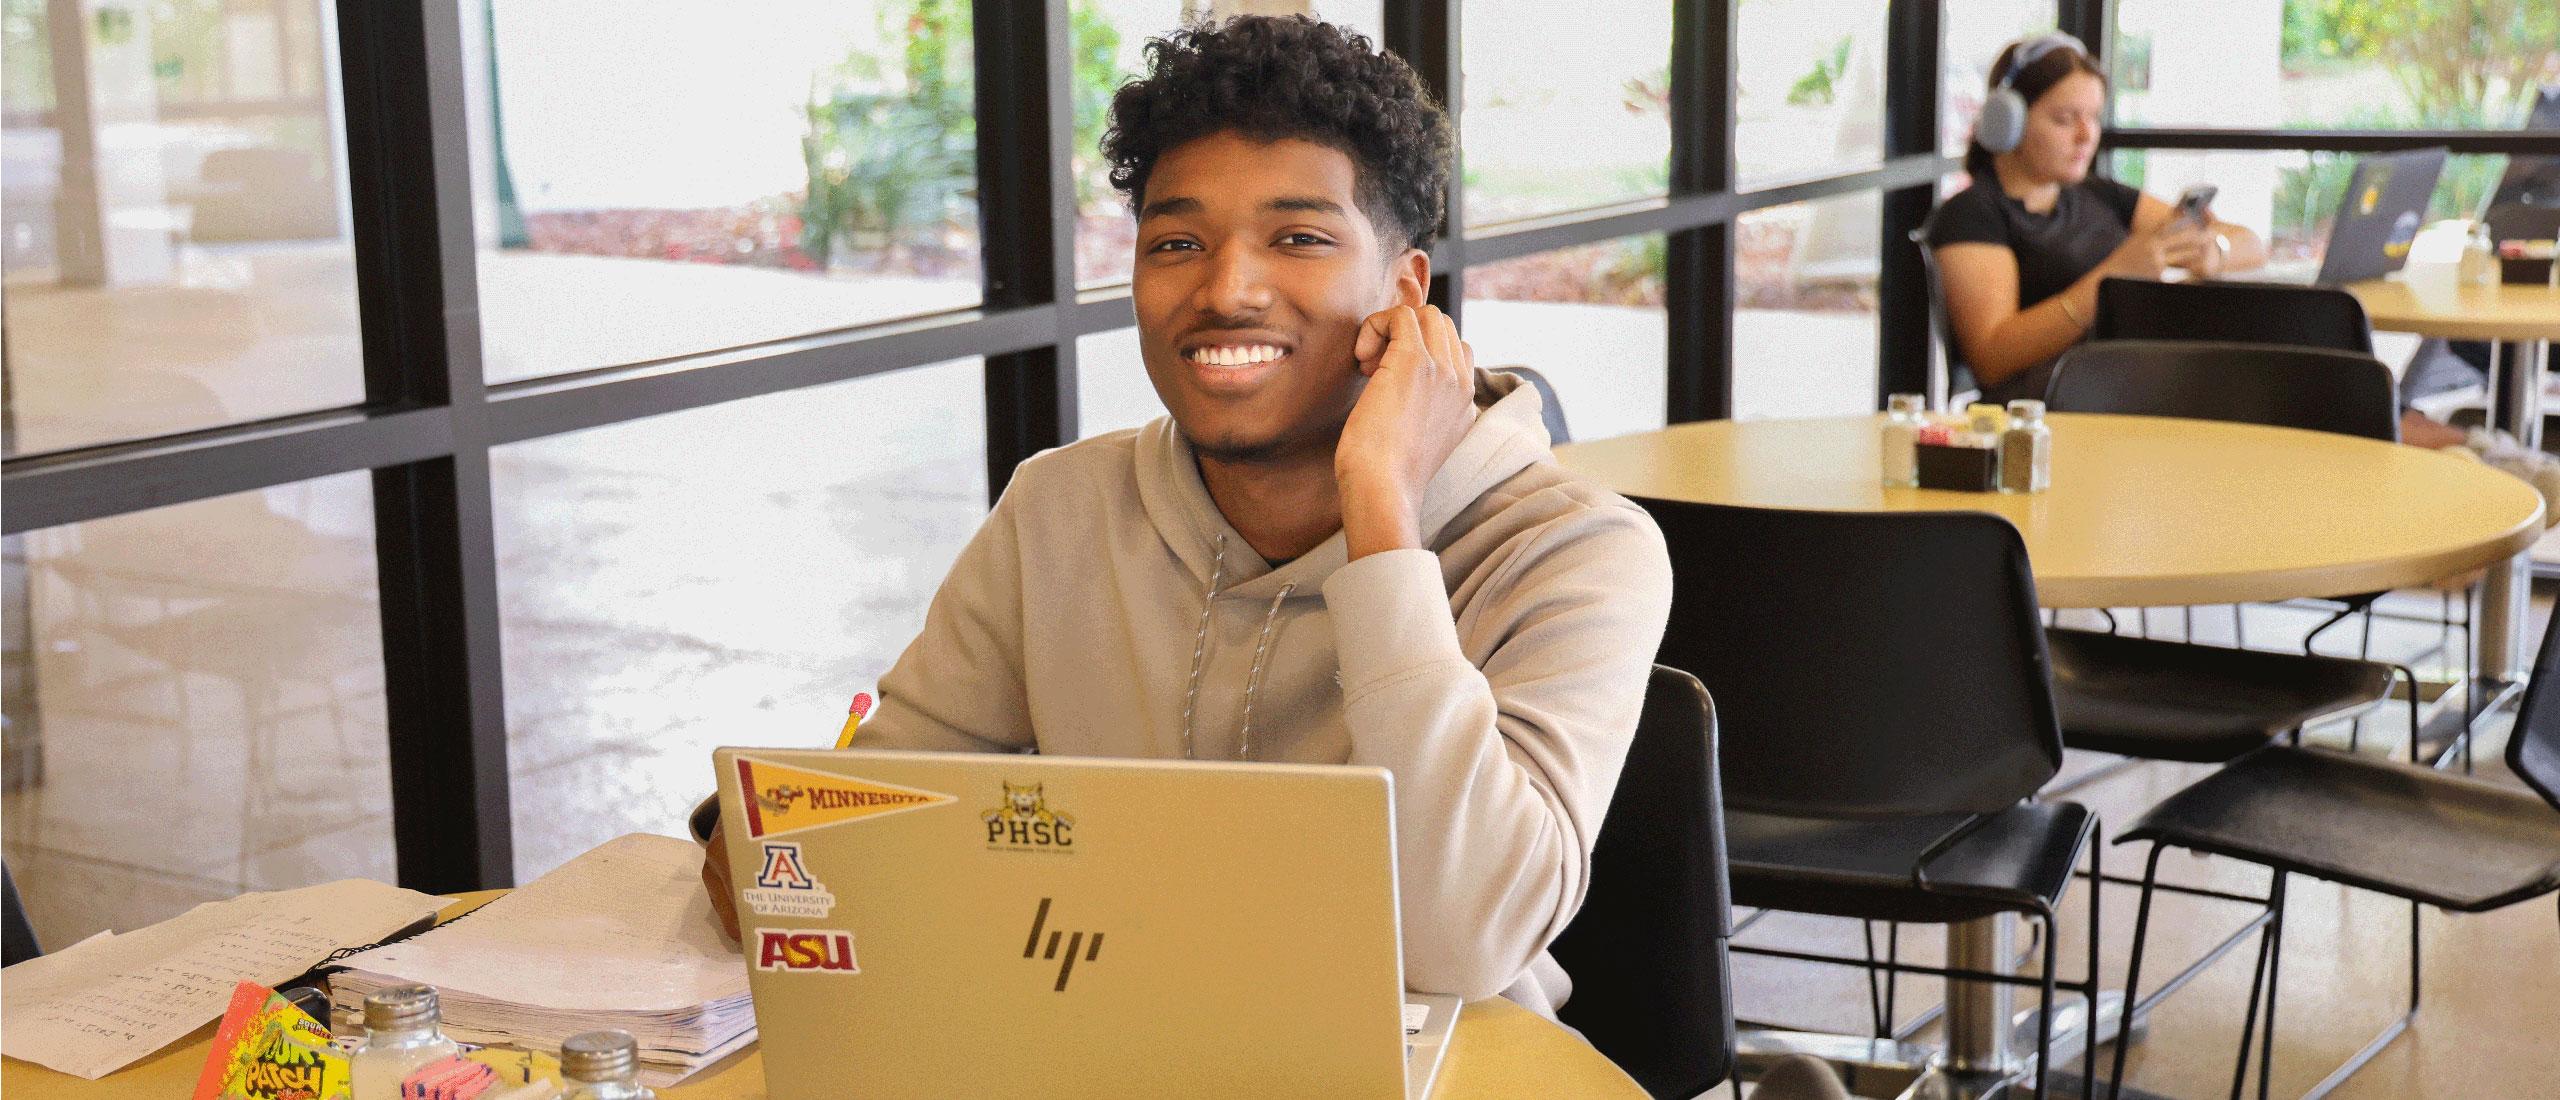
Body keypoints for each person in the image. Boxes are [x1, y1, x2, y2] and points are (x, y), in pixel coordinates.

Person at [695, 15, 1675, 1018]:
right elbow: (874, 814)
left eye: (1296, 237)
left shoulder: (1575, 550)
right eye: (1177, 241)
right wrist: (783, 843)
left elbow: (1457, 935)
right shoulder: (1061, 508)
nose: (1225, 289)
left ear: (1404, 292)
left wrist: (1379, 507)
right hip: (1102, 1037)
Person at [1928, 32, 2269, 407]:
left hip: (2119, 384)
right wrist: (2111, 280)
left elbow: (2252, 245)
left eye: (2093, 117)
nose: (2086, 135)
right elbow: (1993, 358)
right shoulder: (1972, 214)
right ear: (2007, 120)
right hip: (2050, 402)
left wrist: (2213, 252)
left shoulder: (2098, 194)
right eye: (2064, 119)